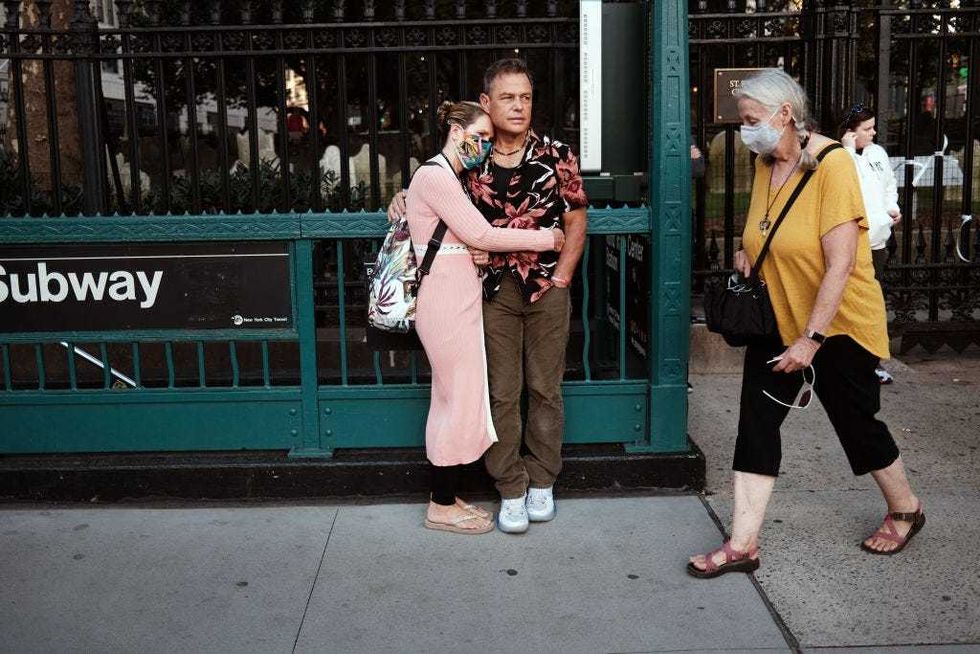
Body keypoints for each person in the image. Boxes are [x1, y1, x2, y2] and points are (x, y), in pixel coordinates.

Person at [687, 69, 924, 579]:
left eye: (752, 121)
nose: (746, 131)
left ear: (785, 115)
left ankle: (905, 507)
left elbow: (840, 262)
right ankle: (742, 544)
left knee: (856, 424)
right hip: (777, 317)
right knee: (756, 422)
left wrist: (811, 339)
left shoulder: (833, 166)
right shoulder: (763, 162)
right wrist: (747, 251)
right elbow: (764, 228)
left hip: (836, 324)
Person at [391, 59, 588, 535]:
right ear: (487, 103)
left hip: (546, 289)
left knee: (545, 389)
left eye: (525, 97)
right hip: (489, 294)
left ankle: (542, 480)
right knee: (499, 392)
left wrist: (562, 275)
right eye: (507, 97)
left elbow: (578, 216)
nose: (518, 106)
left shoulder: (556, 154)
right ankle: (511, 488)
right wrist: (398, 198)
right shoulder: (469, 161)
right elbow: (433, 202)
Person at [840, 104, 902, 384]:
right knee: (845, 301)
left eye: (873, 127)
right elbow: (850, 185)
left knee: (872, 303)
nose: (874, 133)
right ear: (851, 133)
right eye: (867, 129)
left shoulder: (878, 153)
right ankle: (843, 360)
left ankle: (871, 362)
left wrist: (892, 207)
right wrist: (849, 152)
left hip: (877, 238)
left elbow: (889, 184)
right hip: (852, 239)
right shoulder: (841, 156)